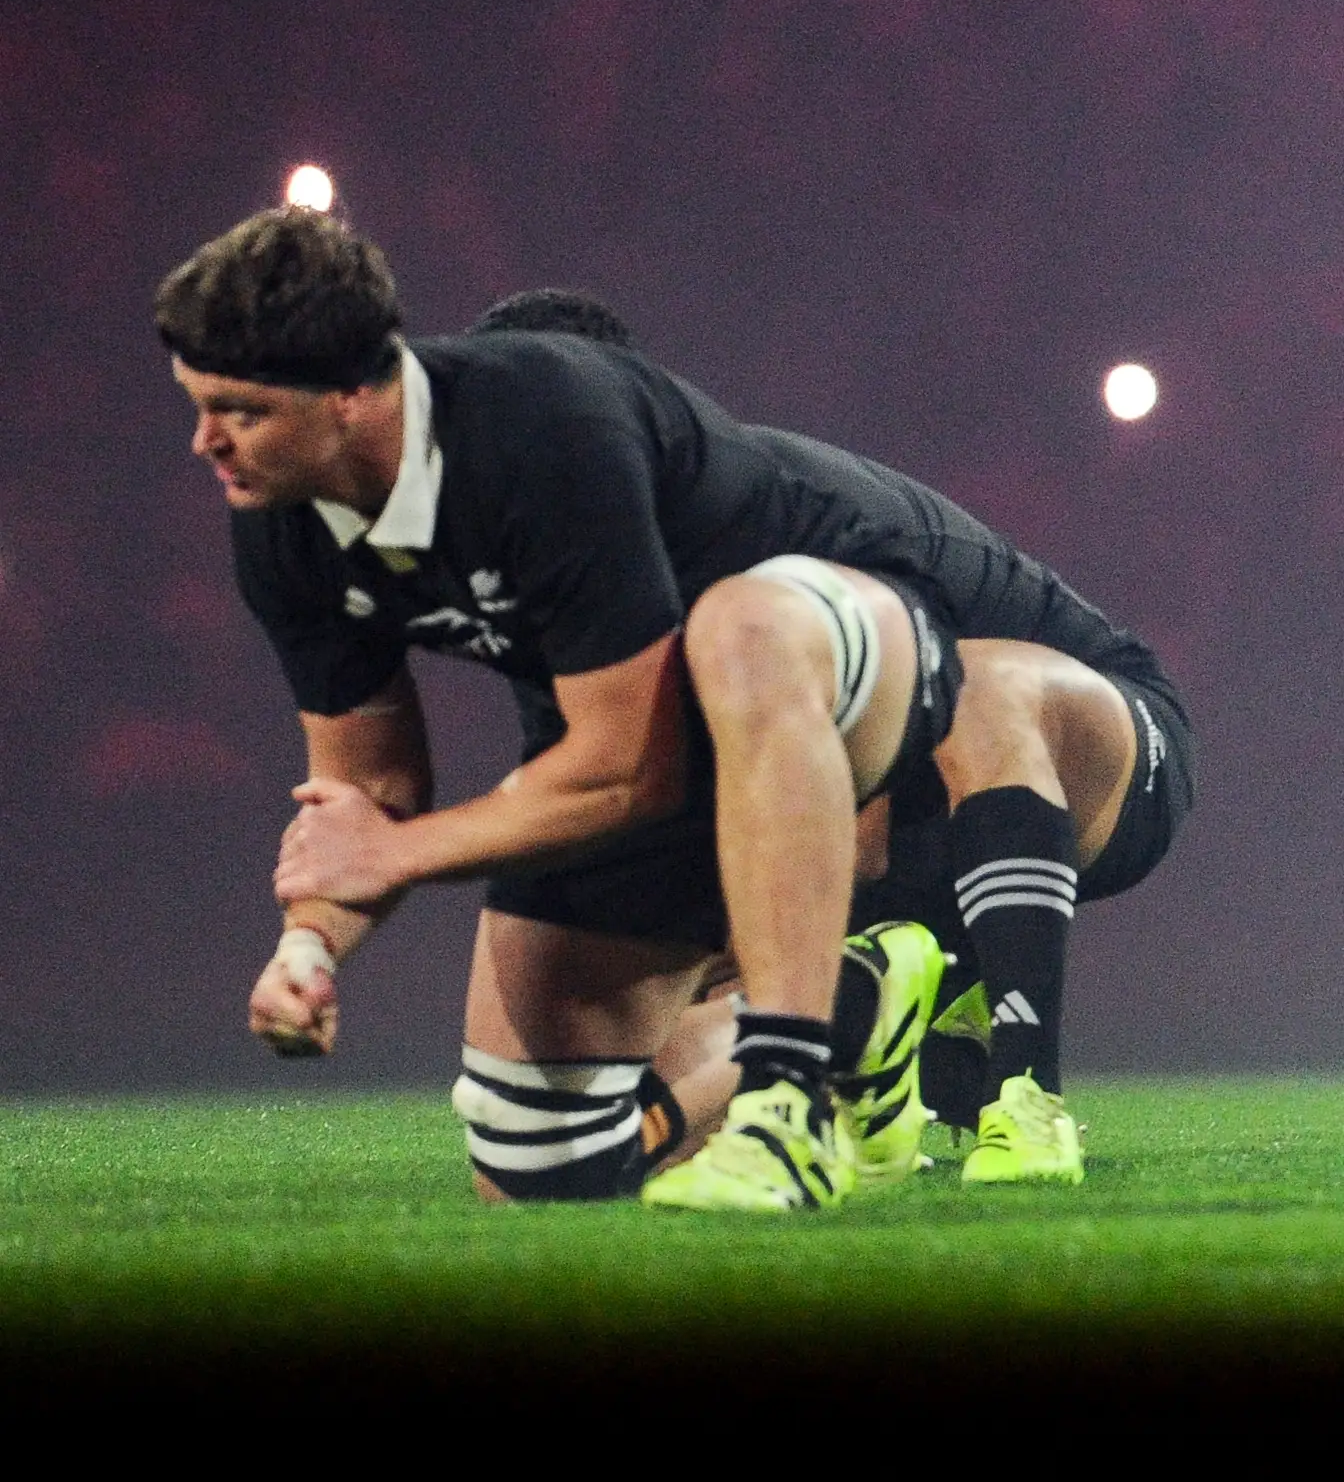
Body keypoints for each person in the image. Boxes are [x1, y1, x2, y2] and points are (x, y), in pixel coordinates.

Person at [183, 210, 947, 1212]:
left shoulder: (544, 423)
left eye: (241, 409)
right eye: (198, 404)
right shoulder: (282, 525)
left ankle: (786, 1102)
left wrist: (400, 855)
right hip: (638, 740)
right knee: (539, 1183)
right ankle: (852, 1004)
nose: (206, 441)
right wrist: (309, 948)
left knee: (740, 629)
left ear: (352, 393)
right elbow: (366, 793)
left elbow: (631, 767)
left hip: (836, 653)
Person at [465, 289, 1193, 1184]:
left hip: (1093, 751)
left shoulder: (757, 508)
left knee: (977, 687)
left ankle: (1024, 1098)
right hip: (880, 842)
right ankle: (875, 1060)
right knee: (593, 1121)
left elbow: (857, 778)